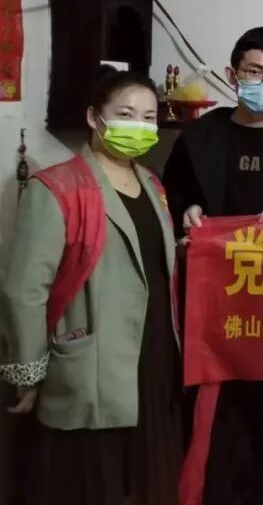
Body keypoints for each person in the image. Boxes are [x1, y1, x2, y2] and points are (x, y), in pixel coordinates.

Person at [0, 68, 182, 505]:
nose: (138, 126)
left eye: (148, 117)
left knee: (150, 479)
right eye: (125, 114)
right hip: (93, 361)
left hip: (153, 354)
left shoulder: (153, 183)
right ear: (93, 117)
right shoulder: (58, 187)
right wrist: (28, 373)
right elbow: (25, 289)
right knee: (96, 481)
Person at [163, 26, 263, 505]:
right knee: (221, 440)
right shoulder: (198, 139)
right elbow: (171, 202)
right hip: (216, 318)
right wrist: (187, 216)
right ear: (233, 74)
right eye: (255, 72)